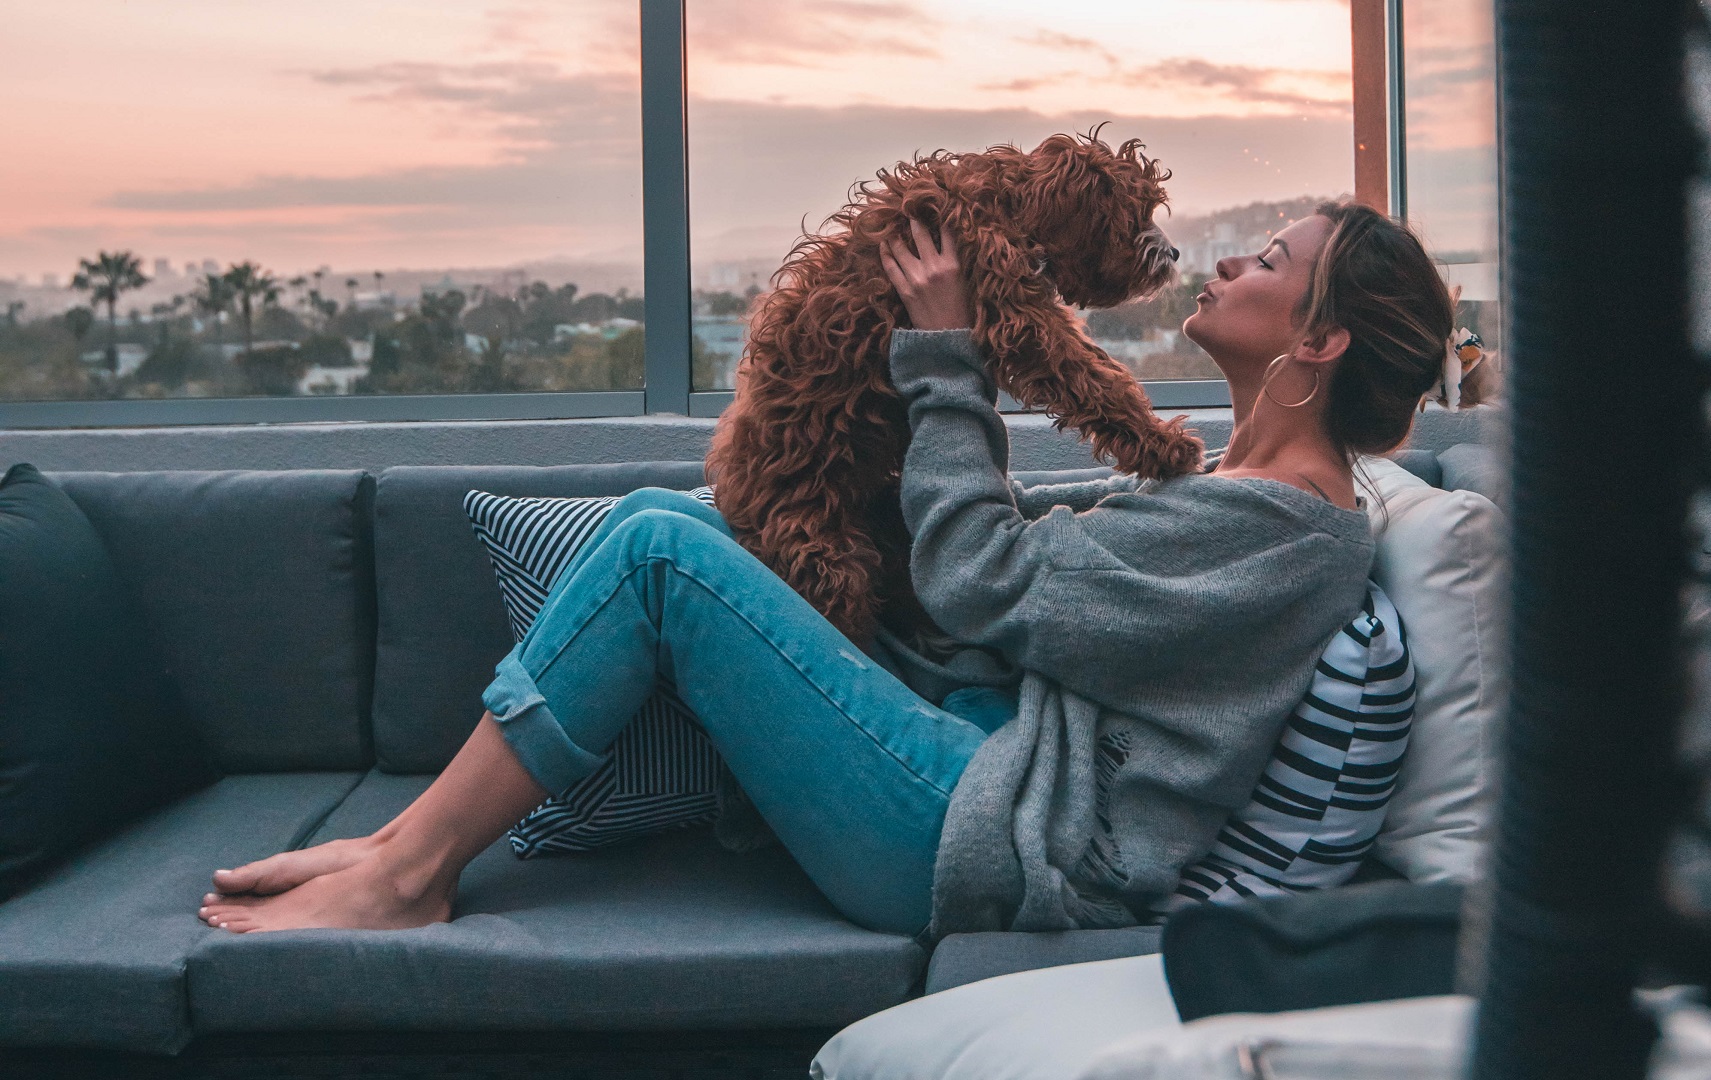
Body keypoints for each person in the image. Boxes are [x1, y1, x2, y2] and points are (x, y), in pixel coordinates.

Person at [197, 201, 1453, 938]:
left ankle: (410, 880)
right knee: (663, 510)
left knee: (651, 552)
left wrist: (946, 354)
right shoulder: (1242, 495)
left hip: (977, 836)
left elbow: (984, 579)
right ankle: (401, 840)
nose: (1231, 264)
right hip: (978, 754)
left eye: (1269, 263)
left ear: (1323, 339)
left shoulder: (1289, 531)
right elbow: (1039, 572)